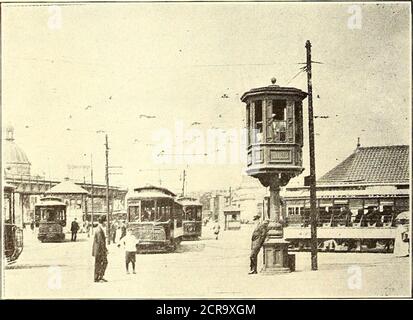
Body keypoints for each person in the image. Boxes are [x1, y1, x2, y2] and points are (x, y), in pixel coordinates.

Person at [92, 216, 108, 282]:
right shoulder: (99, 230)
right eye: (105, 222)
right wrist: (105, 250)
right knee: (102, 262)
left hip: (98, 250)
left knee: (99, 263)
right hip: (99, 250)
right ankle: (98, 277)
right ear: (103, 222)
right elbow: (101, 242)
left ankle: (98, 277)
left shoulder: (99, 229)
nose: (106, 223)